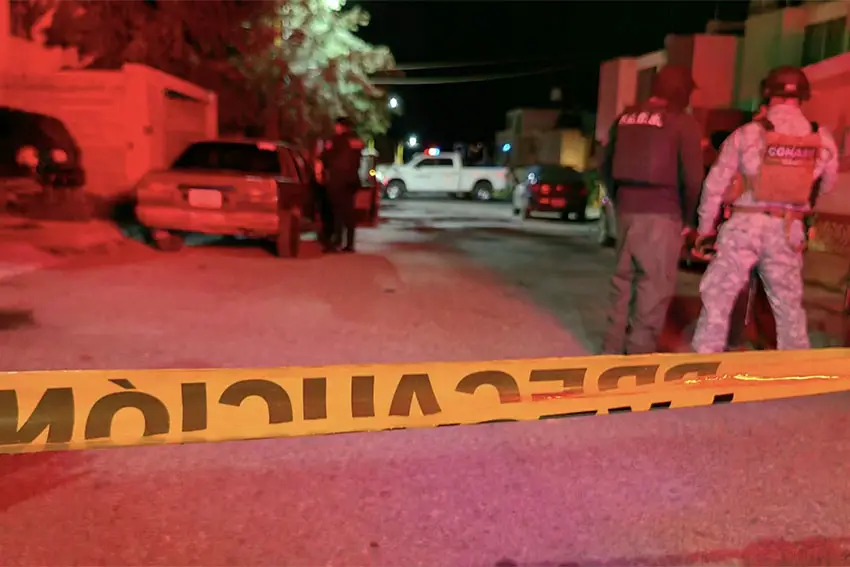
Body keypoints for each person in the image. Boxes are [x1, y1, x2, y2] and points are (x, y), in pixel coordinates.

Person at [691, 66, 839, 353]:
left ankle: (704, 365)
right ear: (803, 96)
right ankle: (795, 373)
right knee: (789, 309)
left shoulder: (748, 134)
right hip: (787, 228)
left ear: (767, 93)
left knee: (718, 299)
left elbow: (715, 185)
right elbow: (827, 184)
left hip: (744, 228)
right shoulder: (820, 137)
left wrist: (705, 229)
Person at [599, 64, 705, 355]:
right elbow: (693, 178)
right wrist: (687, 217)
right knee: (654, 285)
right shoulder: (682, 123)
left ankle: (610, 349)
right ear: (680, 92)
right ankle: (638, 356)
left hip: (626, 211)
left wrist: (620, 202)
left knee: (623, 281)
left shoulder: (625, 118)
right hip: (663, 212)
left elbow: (605, 166)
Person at [319, 117, 364, 252]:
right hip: (351, 181)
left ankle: (336, 241)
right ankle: (349, 244)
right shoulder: (356, 141)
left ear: (340, 127)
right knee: (348, 211)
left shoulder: (334, 140)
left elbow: (324, 157)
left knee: (336, 211)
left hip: (337, 180)